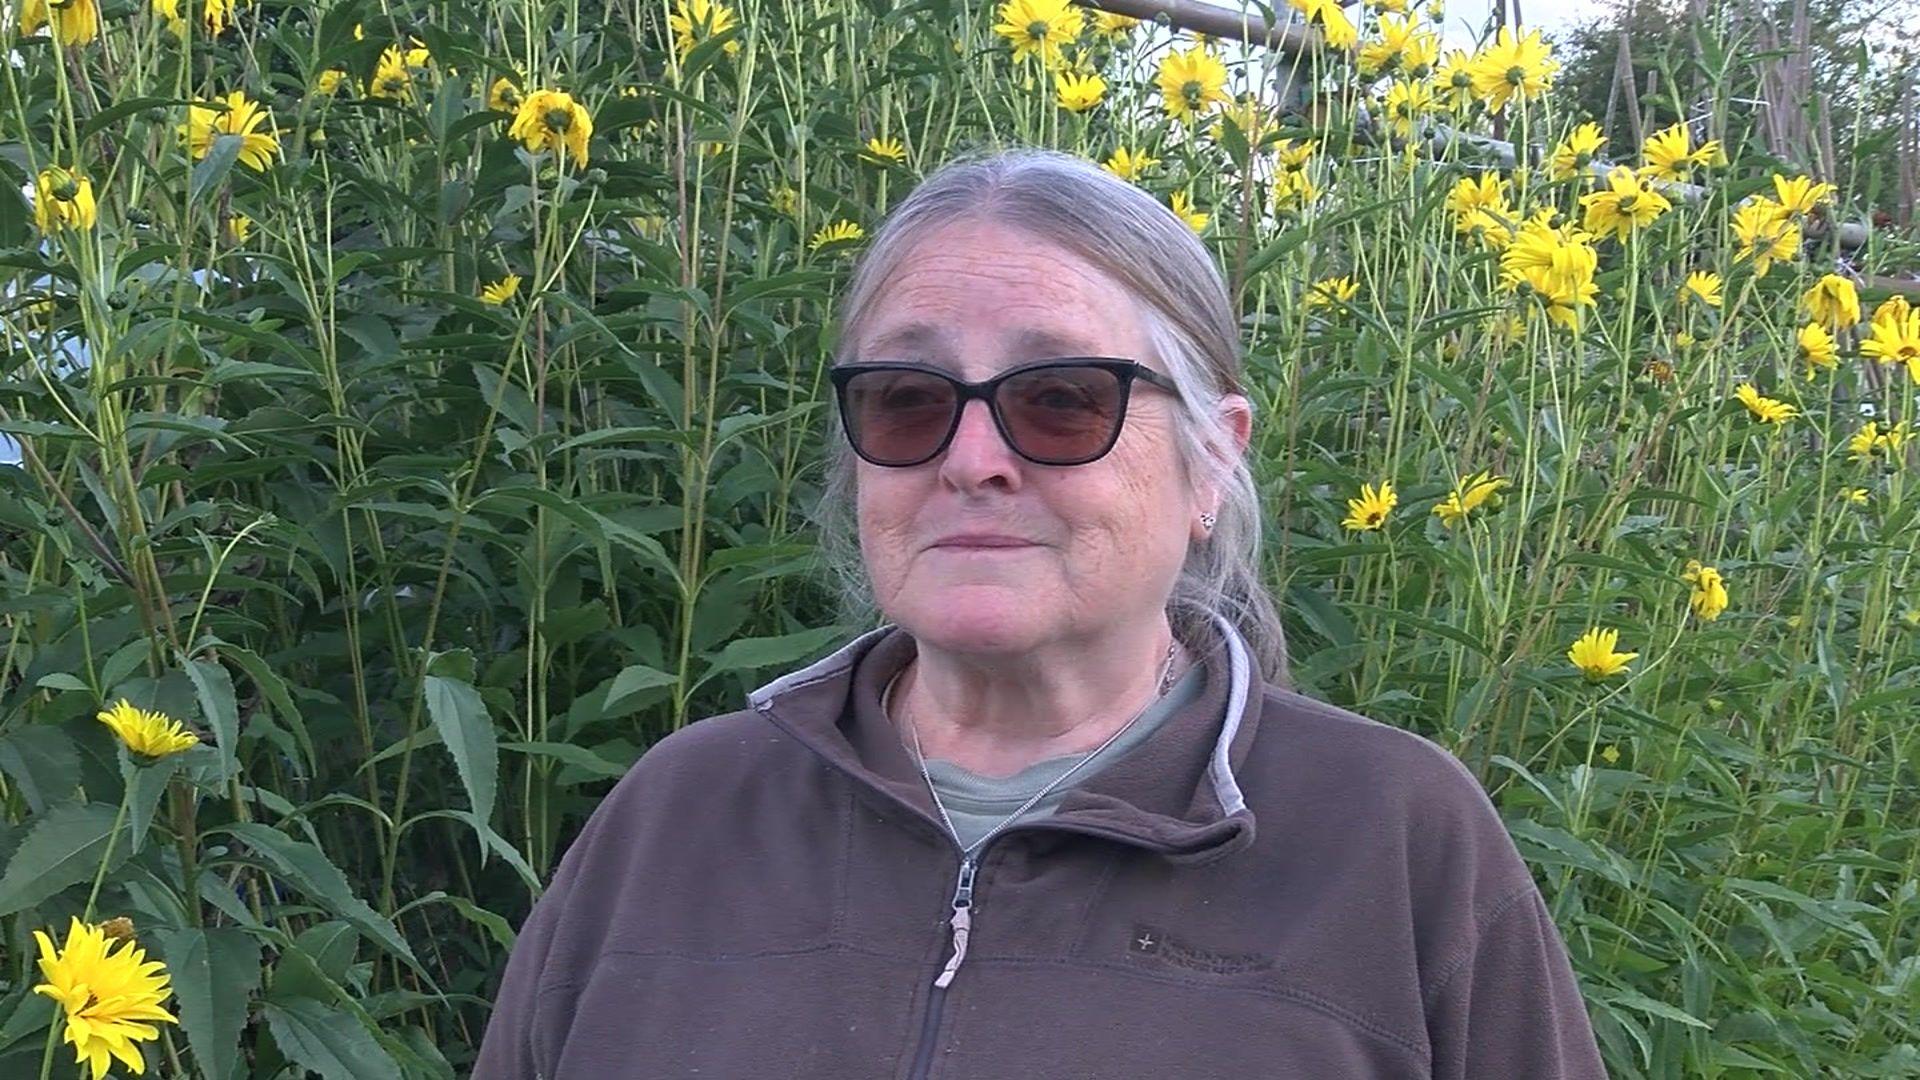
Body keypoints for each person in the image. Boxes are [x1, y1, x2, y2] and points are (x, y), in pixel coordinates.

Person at [472, 146, 1608, 1079]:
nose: (972, 461)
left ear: (1212, 462)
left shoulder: (1394, 845)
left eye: (1061, 400)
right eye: (908, 400)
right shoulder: (678, 819)